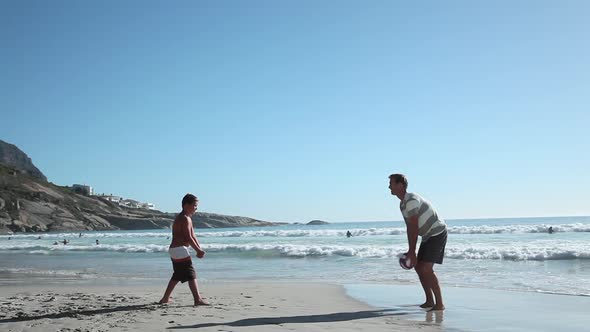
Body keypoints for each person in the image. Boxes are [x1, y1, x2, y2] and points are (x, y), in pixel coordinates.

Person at [389, 173, 447, 311]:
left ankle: (440, 304)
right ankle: (429, 300)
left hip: (437, 232)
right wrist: (411, 251)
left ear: (400, 185)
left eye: (391, 183)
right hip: (427, 235)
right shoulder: (402, 204)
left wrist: (412, 252)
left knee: (426, 268)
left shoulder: (411, 200)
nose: (388, 186)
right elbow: (410, 228)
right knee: (419, 267)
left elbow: (414, 226)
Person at [159, 193, 208, 306]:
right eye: (194, 205)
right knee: (191, 274)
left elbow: (193, 235)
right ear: (186, 205)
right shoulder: (184, 218)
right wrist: (197, 251)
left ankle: (165, 298)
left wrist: (199, 249)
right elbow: (188, 237)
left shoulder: (186, 218)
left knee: (177, 275)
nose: (196, 208)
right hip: (179, 249)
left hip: (175, 250)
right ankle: (198, 299)